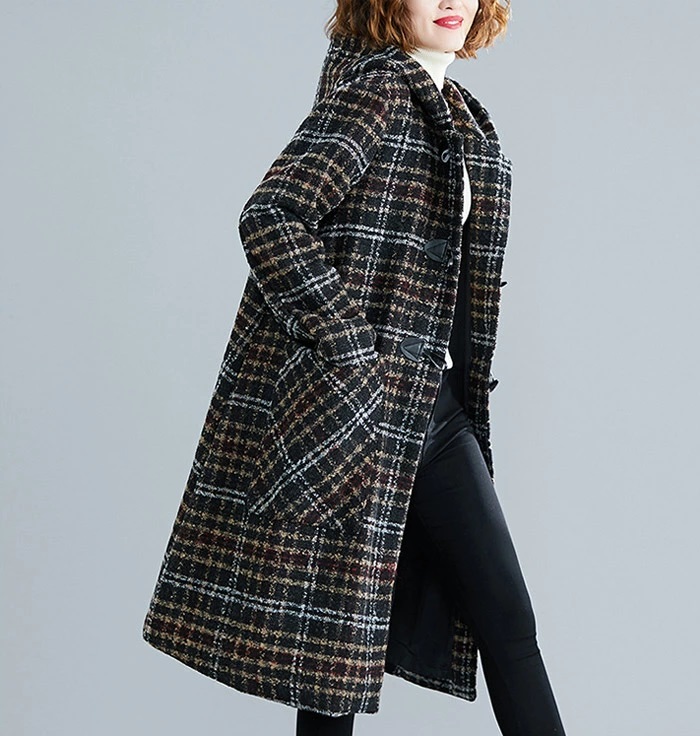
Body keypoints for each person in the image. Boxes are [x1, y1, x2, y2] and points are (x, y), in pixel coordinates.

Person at [142, 1, 567, 734]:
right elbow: (271, 216)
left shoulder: (458, 114)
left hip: (428, 407)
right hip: (354, 406)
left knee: (501, 620)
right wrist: (351, 348)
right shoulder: (375, 91)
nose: (451, 2)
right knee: (331, 664)